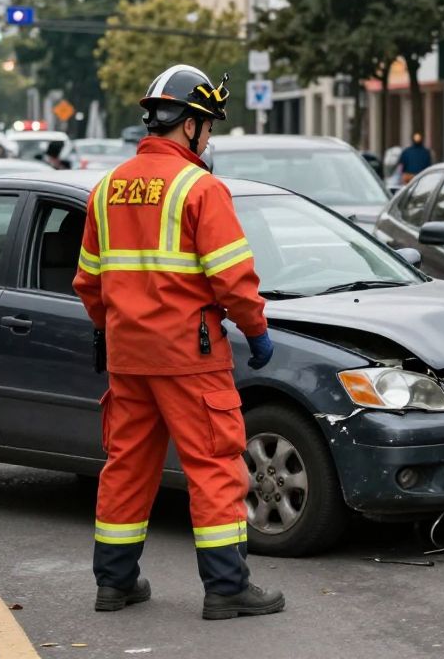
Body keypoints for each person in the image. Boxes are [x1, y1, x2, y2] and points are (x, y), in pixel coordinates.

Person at [72, 64, 284, 621]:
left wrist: (118, 325)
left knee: (127, 466)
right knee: (214, 466)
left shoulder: (106, 188)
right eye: (208, 125)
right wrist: (257, 332)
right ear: (188, 125)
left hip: (128, 357)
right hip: (192, 358)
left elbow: (88, 283)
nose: (209, 136)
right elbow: (233, 279)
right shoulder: (200, 188)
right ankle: (226, 588)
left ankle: (114, 585)